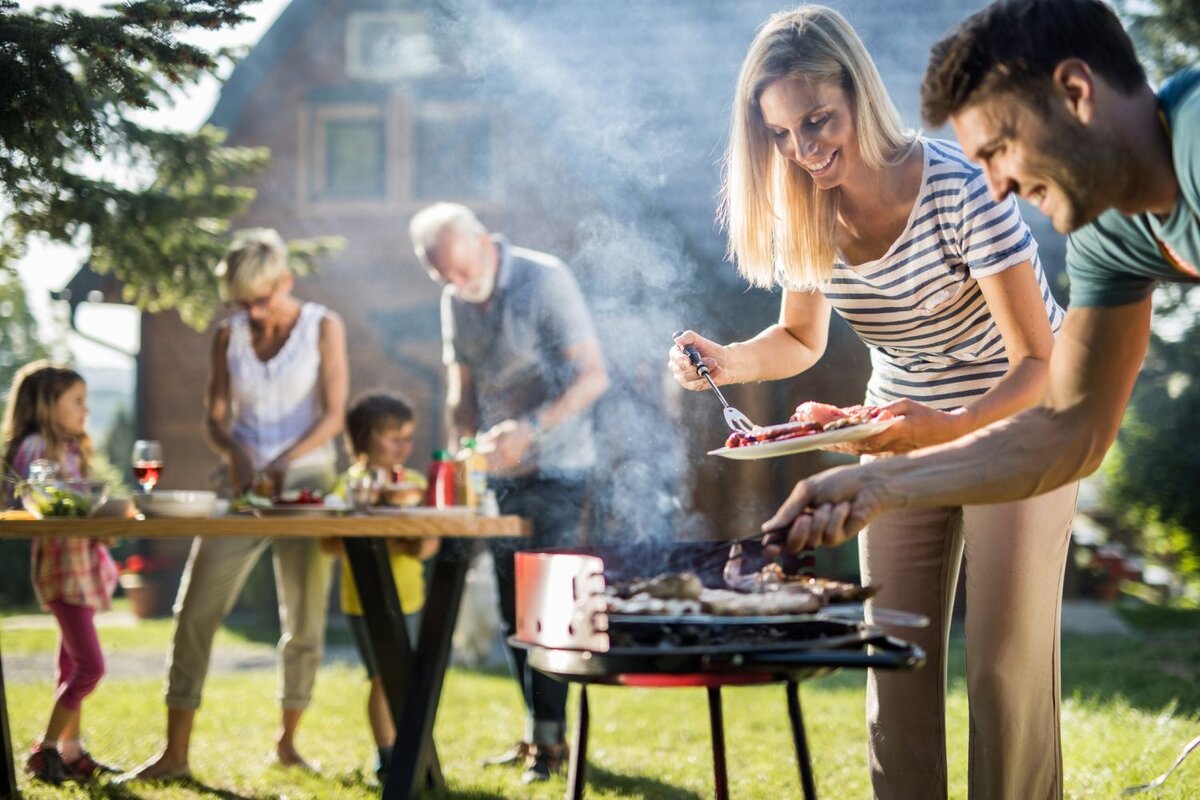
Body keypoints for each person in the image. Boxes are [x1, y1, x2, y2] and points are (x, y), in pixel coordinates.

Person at [668, 7, 1078, 798]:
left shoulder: (960, 189)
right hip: (898, 428)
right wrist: (727, 359)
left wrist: (950, 428)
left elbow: (1042, 359)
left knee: (1002, 668)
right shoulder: (804, 208)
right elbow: (797, 337)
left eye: (818, 120)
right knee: (890, 653)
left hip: (1020, 419)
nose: (804, 149)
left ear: (860, 94)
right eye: (781, 134)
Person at [766, 2, 1197, 553]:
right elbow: (1071, 433)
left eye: (999, 151)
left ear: (1074, 92)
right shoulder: (1107, 240)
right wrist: (877, 483)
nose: (995, 188)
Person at [122, 228, 349, 781]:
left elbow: (335, 413)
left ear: (285, 282)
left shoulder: (323, 326)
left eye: (262, 298)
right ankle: (174, 754)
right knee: (195, 610)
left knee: (305, 619)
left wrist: (286, 458)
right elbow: (215, 418)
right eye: (241, 302)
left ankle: (288, 744)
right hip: (242, 488)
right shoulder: (228, 336)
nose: (252, 311)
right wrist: (238, 451)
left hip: (308, 485)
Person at [408, 202, 609, 783]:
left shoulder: (545, 279)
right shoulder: (455, 299)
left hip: (561, 464)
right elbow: (460, 390)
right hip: (498, 470)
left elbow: (593, 375)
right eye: (444, 276)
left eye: (461, 268)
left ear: (482, 240)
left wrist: (534, 429)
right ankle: (535, 736)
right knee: (511, 610)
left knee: (551, 606)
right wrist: (457, 460)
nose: (457, 283)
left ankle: (552, 744)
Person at [1, 361, 121, 783]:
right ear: (47, 406)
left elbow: (74, 506)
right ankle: (46, 750)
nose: (86, 411)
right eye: (77, 402)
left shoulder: (69, 448)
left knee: (70, 667)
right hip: (62, 569)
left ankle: (71, 752)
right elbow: (44, 506)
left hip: (80, 567)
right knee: (90, 668)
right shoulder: (37, 450)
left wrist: (99, 525)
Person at [320, 392, 438, 785]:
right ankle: (388, 756)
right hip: (364, 601)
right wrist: (387, 533)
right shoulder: (348, 486)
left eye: (409, 437)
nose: (404, 447)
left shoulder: (416, 484)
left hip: (410, 598)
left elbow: (427, 545)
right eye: (393, 438)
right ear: (365, 440)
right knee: (381, 677)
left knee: (412, 676)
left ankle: (412, 750)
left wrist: (401, 535)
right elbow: (330, 543)